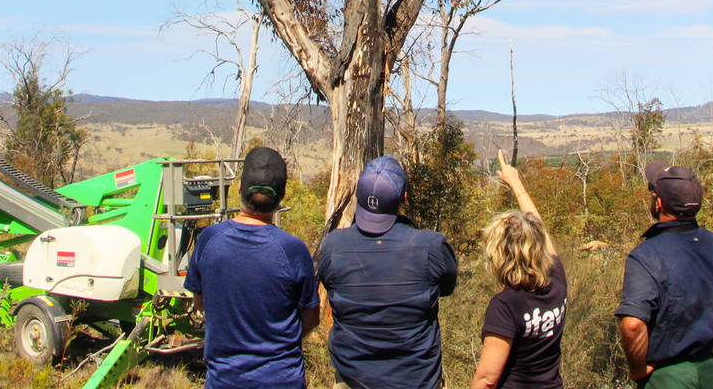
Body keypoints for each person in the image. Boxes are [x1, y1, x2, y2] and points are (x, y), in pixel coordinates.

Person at [615, 161, 713, 389]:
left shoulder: (646, 256)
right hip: (708, 371)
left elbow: (633, 325)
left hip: (665, 377)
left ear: (659, 203)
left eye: (653, 193)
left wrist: (637, 370)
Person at [317, 154, 459, 389]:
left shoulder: (334, 246)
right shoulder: (431, 247)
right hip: (416, 379)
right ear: (404, 197)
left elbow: (329, 284)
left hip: (352, 380)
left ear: (359, 196)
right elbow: (447, 287)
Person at [183, 146, 319, 389]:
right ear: (282, 195)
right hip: (281, 379)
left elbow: (201, 303)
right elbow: (310, 318)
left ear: (239, 189)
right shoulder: (293, 251)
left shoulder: (209, 241)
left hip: (225, 380)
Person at [471, 149, 568, 389]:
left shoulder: (505, 306)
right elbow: (541, 232)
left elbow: (487, 379)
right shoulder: (556, 277)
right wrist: (517, 184)